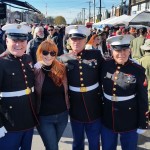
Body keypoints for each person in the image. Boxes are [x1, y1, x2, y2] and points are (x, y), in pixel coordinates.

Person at [100, 34, 149, 150]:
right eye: (117, 50)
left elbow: (143, 98)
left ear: (129, 50)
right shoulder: (105, 66)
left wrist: (143, 122)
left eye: (124, 50)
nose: (121, 53)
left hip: (129, 118)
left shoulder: (137, 70)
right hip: (108, 116)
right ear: (111, 51)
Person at [60, 25, 103, 150]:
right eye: (73, 39)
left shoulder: (95, 54)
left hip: (94, 104)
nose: (76, 42)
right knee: (77, 141)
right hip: (75, 105)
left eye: (80, 39)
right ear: (69, 41)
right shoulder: (63, 59)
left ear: (85, 40)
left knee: (94, 141)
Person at [0, 23, 38, 150]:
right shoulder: (1, 63)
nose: (19, 44)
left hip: (29, 120)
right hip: (9, 123)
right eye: (15, 40)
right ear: (6, 41)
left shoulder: (27, 58)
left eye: (22, 40)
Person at [34, 40, 69, 150]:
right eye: (45, 52)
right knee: (52, 147)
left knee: (52, 145)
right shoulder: (35, 71)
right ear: (40, 53)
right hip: (44, 118)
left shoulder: (62, 69)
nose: (48, 56)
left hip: (62, 116)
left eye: (52, 53)